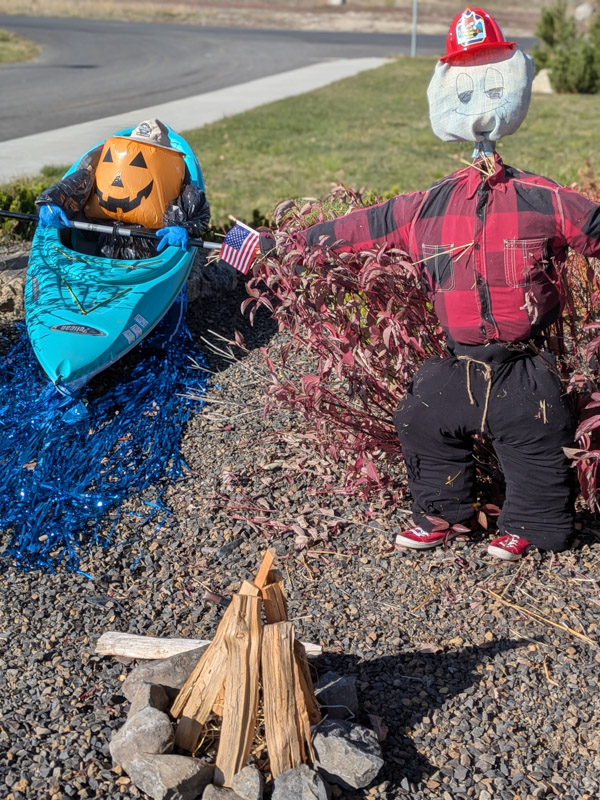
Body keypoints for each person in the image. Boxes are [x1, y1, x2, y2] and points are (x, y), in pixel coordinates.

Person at [277, 7, 600, 562]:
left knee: (537, 430)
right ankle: (442, 513)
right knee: (421, 416)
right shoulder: (426, 206)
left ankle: (532, 523)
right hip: (461, 360)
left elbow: (595, 227)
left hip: (525, 363)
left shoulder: (544, 200)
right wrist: (281, 246)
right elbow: (360, 229)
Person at [35, 119, 210, 259]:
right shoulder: (96, 169)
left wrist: (183, 226)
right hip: (97, 241)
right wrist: (54, 202)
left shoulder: (179, 182)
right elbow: (74, 184)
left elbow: (196, 209)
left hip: (149, 250)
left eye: (139, 162)